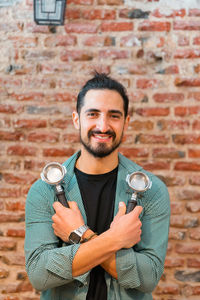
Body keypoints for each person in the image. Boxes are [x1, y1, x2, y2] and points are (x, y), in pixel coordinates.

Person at [25, 72, 170, 300]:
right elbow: (39, 275)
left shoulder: (152, 190)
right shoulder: (43, 190)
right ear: (76, 119)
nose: (103, 126)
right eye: (93, 114)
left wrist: (80, 234)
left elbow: (148, 277)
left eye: (114, 116)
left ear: (126, 122)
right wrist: (116, 239)